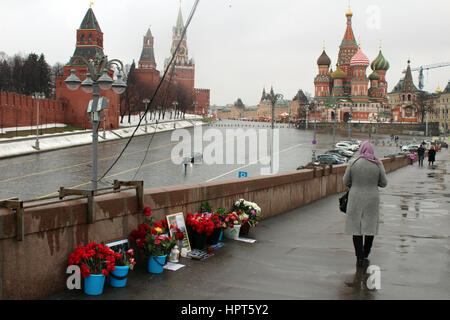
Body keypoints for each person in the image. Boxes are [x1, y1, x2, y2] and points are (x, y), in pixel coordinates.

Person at [343, 141, 388, 268]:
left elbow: (346, 181)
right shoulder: (377, 164)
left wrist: (356, 183)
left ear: (361, 149)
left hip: (355, 197)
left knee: (356, 228)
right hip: (372, 198)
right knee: (370, 227)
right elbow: (384, 183)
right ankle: (366, 252)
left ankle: (359, 257)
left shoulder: (353, 163)